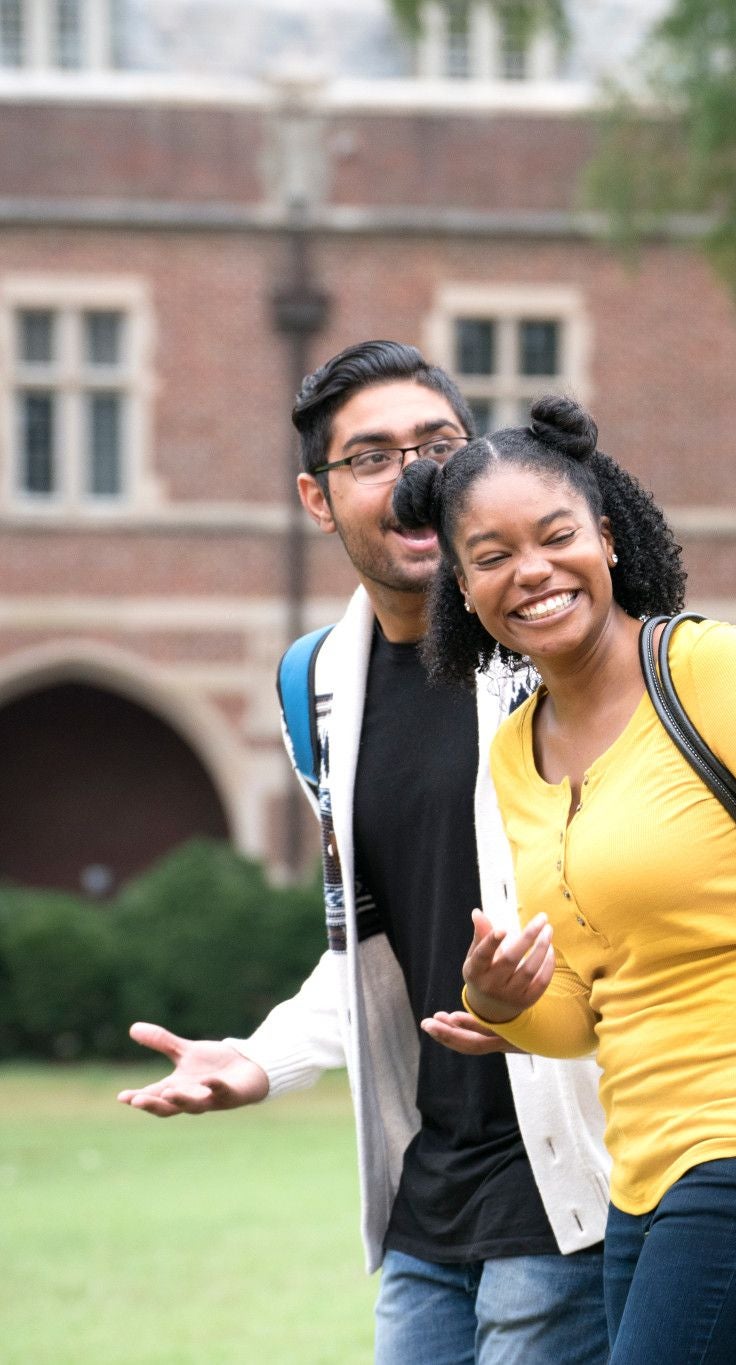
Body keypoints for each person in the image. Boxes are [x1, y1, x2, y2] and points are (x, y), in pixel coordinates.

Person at [389, 395, 736, 1365]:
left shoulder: (706, 668)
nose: (532, 572)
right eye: (492, 555)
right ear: (462, 588)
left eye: (555, 536)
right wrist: (500, 1000)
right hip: (637, 1181)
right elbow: (583, 1013)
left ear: (605, 538)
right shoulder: (516, 752)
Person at [114, 340, 611, 1365]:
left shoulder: (557, 650)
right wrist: (260, 1061)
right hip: (427, 1192)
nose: (416, 476)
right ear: (315, 497)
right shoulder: (319, 688)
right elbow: (374, 951)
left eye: (438, 445)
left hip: (572, 1178)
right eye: (374, 457)